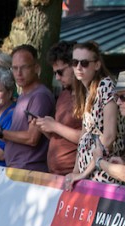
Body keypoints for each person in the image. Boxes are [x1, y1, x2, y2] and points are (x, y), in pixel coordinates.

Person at [0, 44, 53, 171]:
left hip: (29, 170)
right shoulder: (23, 95)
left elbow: (31, 138)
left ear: (37, 68)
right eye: (15, 68)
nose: (19, 73)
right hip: (17, 169)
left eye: (24, 67)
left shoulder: (40, 96)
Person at [70, 41, 125, 184]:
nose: (78, 67)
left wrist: (83, 173)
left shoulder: (106, 85)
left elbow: (108, 138)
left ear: (96, 65)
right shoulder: (86, 90)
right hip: (89, 173)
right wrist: (75, 172)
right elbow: (83, 137)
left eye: (84, 63)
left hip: (104, 174)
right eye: (74, 62)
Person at [35, 40, 83, 175]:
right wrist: (45, 128)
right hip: (56, 173)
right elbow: (61, 136)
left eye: (60, 72)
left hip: (76, 176)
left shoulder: (89, 97)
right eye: (55, 73)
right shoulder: (63, 95)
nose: (57, 77)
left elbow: (88, 138)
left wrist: (54, 126)